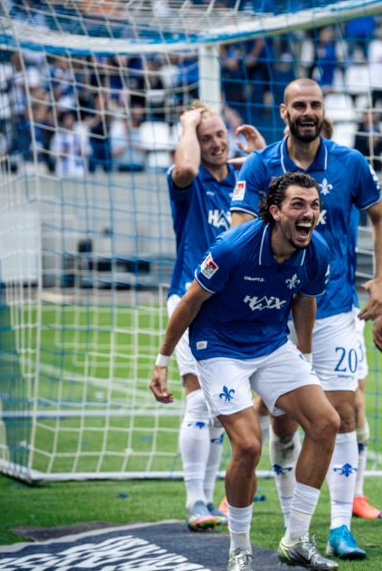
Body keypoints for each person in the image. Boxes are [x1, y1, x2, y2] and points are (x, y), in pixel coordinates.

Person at [230, 78, 382, 559]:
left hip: (336, 307)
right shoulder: (260, 166)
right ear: (284, 111)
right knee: (282, 426)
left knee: (341, 415)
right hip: (276, 316)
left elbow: (381, 216)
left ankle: (340, 527)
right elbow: (239, 229)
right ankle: (291, 524)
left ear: (324, 110)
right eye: (299, 104)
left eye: (315, 104)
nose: (308, 111)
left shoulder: (350, 162)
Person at [150, 171, 342, 571]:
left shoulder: (317, 251)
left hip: (271, 344)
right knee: (249, 445)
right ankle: (240, 550)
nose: (309, 213)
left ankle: (296, 540)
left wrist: (304, 358)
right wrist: (162, 361)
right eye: (298, 205)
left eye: (314, 205)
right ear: (274, 211)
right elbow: (190, 302)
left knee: (326, 422)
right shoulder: (233, 248)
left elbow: (305, 300)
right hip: (218, 347)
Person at [165, 101, 265, 532]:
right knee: (198, 399)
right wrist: (189, 123)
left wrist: (258, 150)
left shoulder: (240, 182)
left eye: (220, 134)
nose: (216, 144)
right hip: (191, 299)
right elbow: (186, 167)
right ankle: (195, 499)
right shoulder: (188, 182)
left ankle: (207, 499)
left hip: (232, 305)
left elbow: (279, 188)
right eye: (205, 138)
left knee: (222, 404)